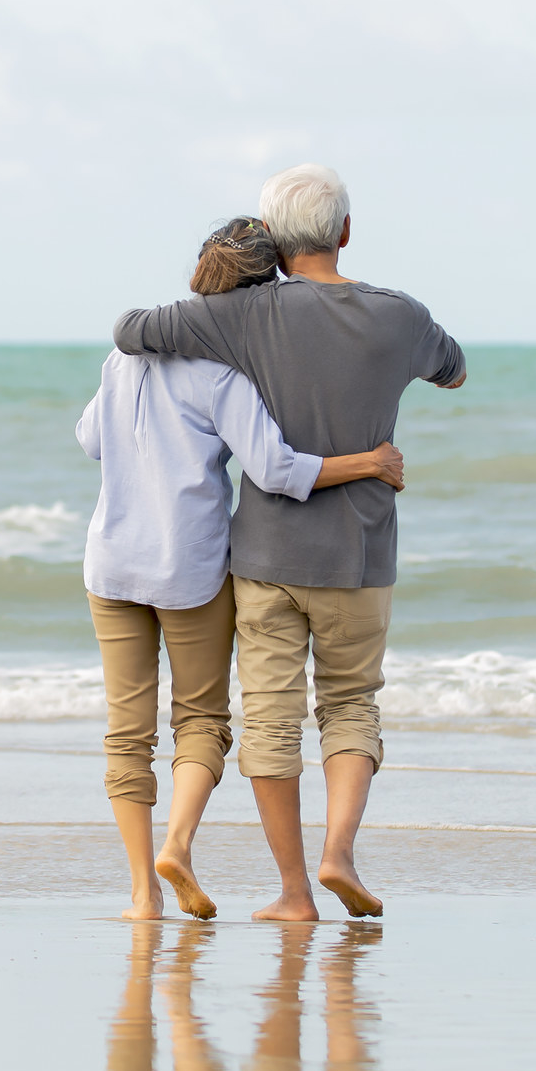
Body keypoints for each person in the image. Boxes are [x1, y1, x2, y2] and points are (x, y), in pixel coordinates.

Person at [113, 164, 467, 923]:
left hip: (267, 559)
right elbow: (454, 370)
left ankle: (296, 893)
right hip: (363, 555)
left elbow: (132, 331)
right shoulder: (400, 315)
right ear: (344, 232)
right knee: (350, 706)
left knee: (271, 721)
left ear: (274, 240)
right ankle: (340, 850)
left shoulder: (242, 318)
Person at [79, 216, 404, 922]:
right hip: (188, 568)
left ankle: (143, 893)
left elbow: (89, 440)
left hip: (110, 563)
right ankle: (179, 844)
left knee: (126, 729)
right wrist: (369, 462)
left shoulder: (121, 360)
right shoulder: (223, 374)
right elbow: (277, 469)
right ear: (261, 296)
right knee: (201, 719)